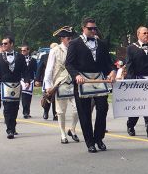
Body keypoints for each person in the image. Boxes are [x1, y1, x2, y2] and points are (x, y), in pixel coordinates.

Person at [65, 17, 116, 153]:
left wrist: (112, 71)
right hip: (83, 80)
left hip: (99, 79)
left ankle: (99, 138)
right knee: (85, 112)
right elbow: (69, 63)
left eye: (95, 28)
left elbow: (108, 62)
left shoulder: (102, 43)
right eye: (90, 28)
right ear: (83, 28)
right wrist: (76, 75)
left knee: (103, 108)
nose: (93, 30)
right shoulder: (75, 43)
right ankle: (90, 142)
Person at [44, 26, 80, 144]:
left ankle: (72, 129)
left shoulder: (75, 49)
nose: (70, 40)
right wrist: (48, 85)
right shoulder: (55, 50)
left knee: (77, 108)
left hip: (73, 81)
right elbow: (49, 68)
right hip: (60, 82)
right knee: (61, 111)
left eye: (71, 38)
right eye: (68, 38)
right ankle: (63, 133)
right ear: (62, 39)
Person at [0, 36, 30, 139]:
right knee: (7, 107)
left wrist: (27, 80)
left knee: (15, 107)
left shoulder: (20, 57)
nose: (3, 45)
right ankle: (10, 130)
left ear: (11, 44)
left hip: (16, 84)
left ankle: (13, 126)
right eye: (2, 44)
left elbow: (25, 70)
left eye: (5, 43)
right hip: (5, 85)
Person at [36, 43, 58, 121]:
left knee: (56, 98)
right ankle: (46, 112)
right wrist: (37, 79)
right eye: (53, 48)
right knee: (48, 97)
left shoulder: (60, 56)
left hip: (57, 80)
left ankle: (56, 114)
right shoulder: (44, 57)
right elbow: (39, 68)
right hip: (48, 79)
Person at [20, 44, 37, 119]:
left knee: (29, 97)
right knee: (24, 97)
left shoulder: (33, 60)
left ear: (28, 50)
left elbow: (36, 70)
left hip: (31, 80)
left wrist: (37, 79)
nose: (22, 52)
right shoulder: (19, 59)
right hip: (22, 80)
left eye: (24, 50)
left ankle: (28, 111)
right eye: (22, 50)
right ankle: (25, 112)